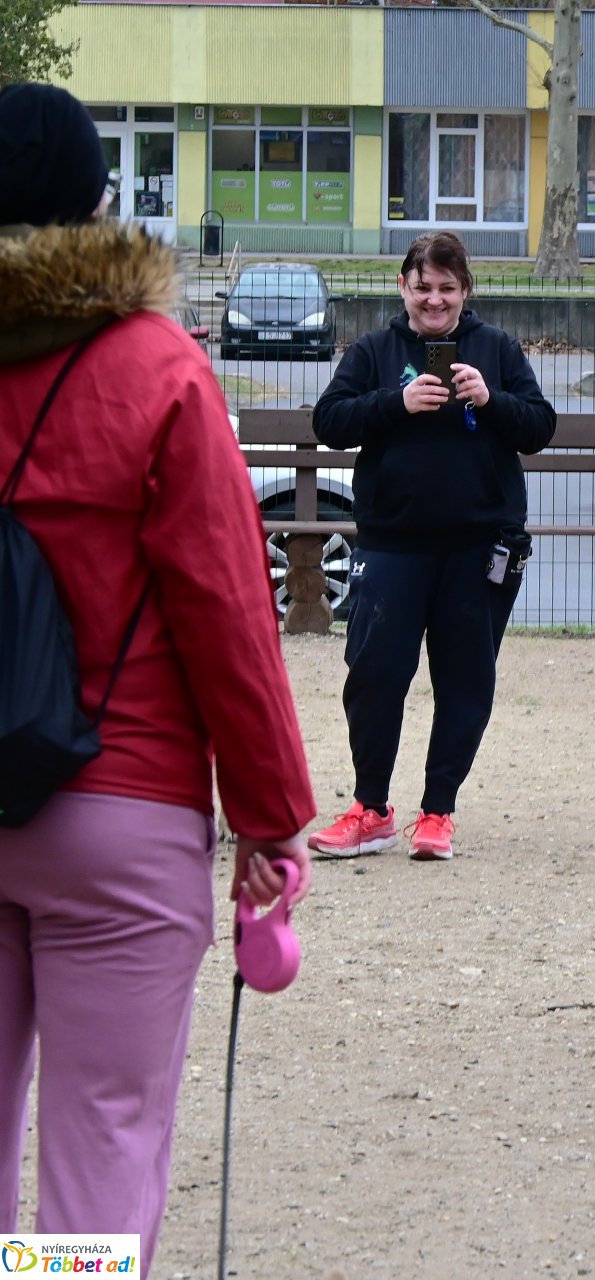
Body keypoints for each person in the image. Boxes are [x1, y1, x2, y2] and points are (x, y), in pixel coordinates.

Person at [0, 83, 313, 1267]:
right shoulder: (159, 371)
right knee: (101, 1144)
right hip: (117, 808)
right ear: (98, 206)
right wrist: (273, 818)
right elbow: (228, 616)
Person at [310, 231, 555, 862]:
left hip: (480, 545)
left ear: (465, 290)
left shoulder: (495, 349)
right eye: (423, 287)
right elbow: (330, 421)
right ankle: (370, 809)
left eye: (447, 288)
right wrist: (397, 402)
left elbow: (539, 426)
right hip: (393, 542)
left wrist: (490, 398)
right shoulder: (374, 349)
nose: (435, 300)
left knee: (465, 680)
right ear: (404, 287)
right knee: (374, 675)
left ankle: (437, 812)